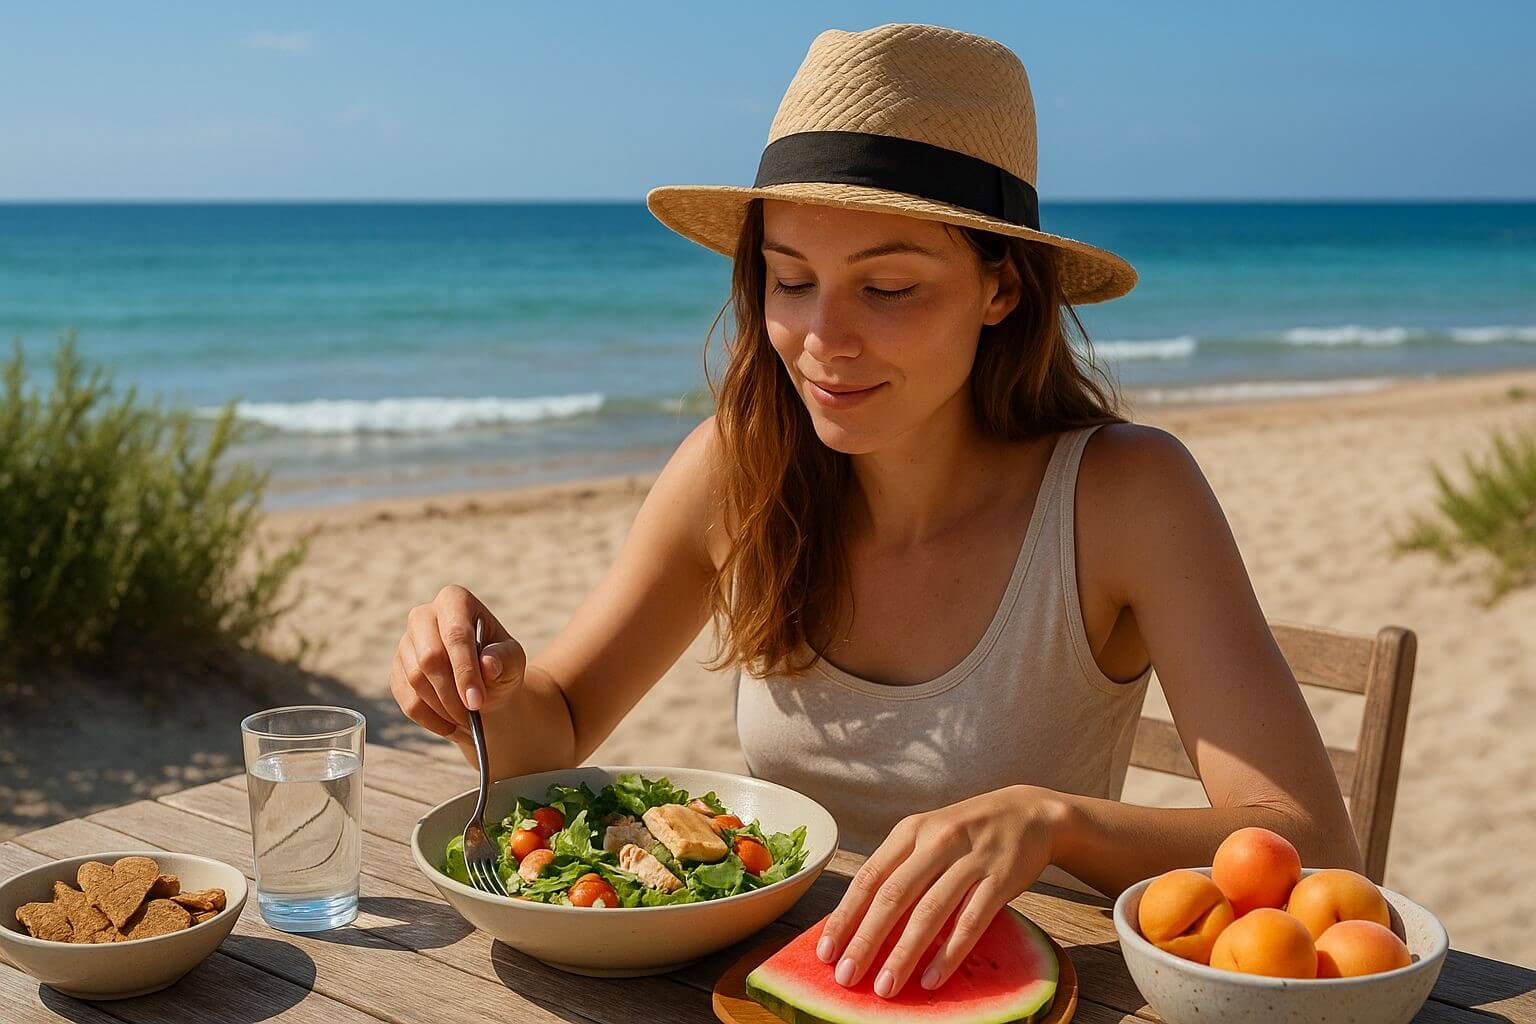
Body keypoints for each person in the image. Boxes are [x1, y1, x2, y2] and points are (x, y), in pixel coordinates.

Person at [389, 22, 1359, 1000]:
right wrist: (489, 689)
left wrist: (1049, 821)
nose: (821, 338)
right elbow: (555, 729)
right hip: (772, 981)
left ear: (1001, 288)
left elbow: (1314, 844)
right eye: (791, 278)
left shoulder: (1125, 495)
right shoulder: (739, 466)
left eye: (888, 286)